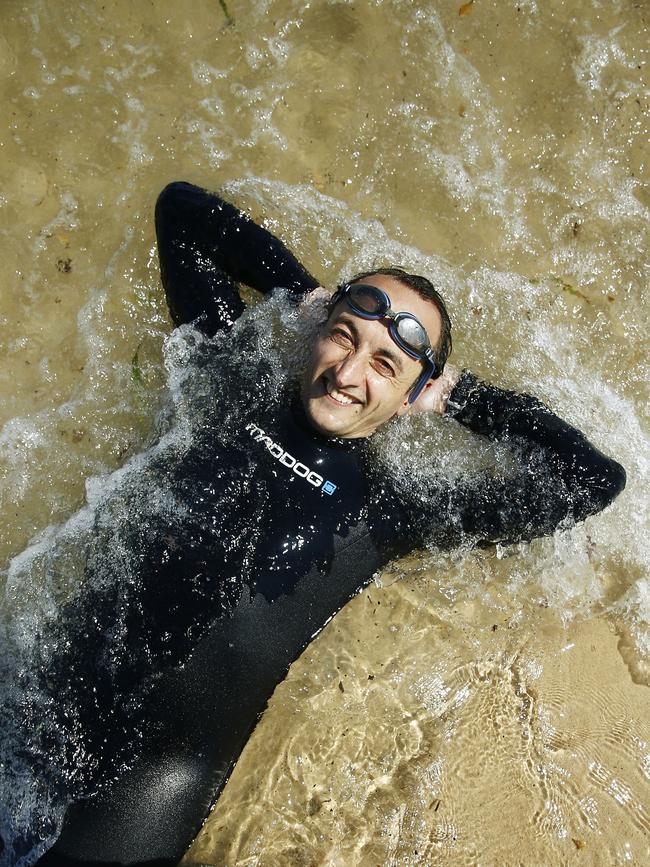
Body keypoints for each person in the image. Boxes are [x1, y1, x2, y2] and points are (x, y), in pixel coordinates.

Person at [28, 181, 625, 867]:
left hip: (140, 798)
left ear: (410, 395)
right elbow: (182, 212)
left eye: (385, 365)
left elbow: (591, 478)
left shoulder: (392, 507)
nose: (348, 371)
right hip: (41, 699)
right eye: (344, 337)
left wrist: (460, 393)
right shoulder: (224, 372)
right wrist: (303, 294)